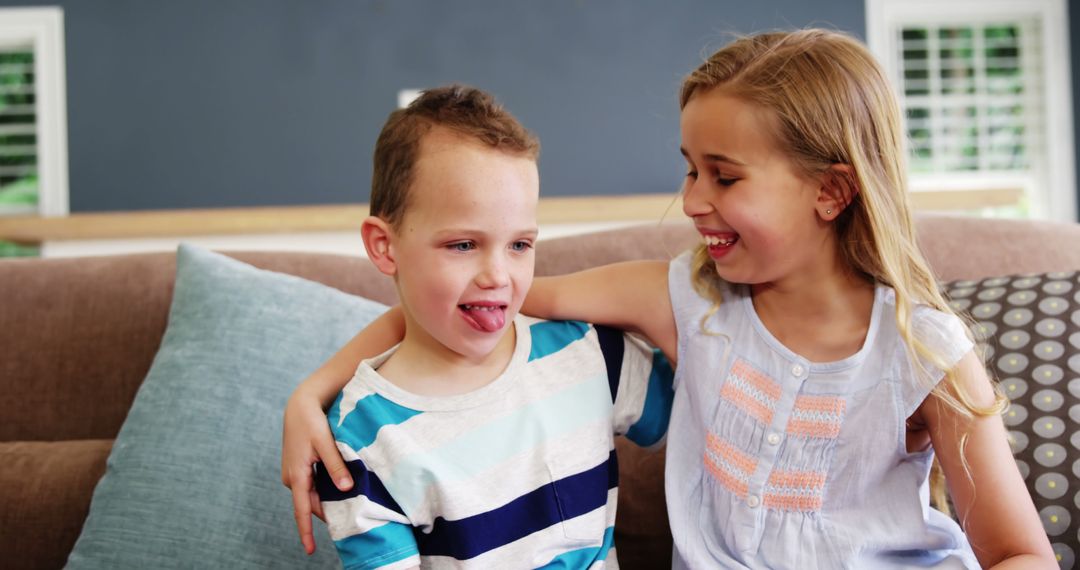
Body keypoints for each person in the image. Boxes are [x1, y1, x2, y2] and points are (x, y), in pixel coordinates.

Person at [285, 30, 1055, 568]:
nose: (691, 200)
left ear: (830, 191)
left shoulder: (925, 353)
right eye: (689, 168)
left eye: (723, 175)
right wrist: (312, 395)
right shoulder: (683, 298)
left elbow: (1020, 552)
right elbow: (480, 304)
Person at [288, 84, 675, 569]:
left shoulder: (585, 351)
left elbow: (712, 418)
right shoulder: (360, 442)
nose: (498, 277)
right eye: (463, 245)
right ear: (385, 247)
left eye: (519, 245)